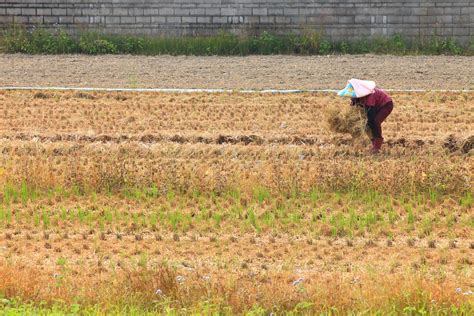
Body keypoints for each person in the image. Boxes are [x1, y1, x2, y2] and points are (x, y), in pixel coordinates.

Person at [338, 79, 393, 153]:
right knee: (367, 125)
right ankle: (374, 143)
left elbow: (370, 114)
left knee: (375, 122)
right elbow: (353, 109)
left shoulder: (369, 96)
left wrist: (365, 123)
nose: (351, 98)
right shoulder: (355, 98)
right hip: (374, 106)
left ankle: (377, 146)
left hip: (385, 105)